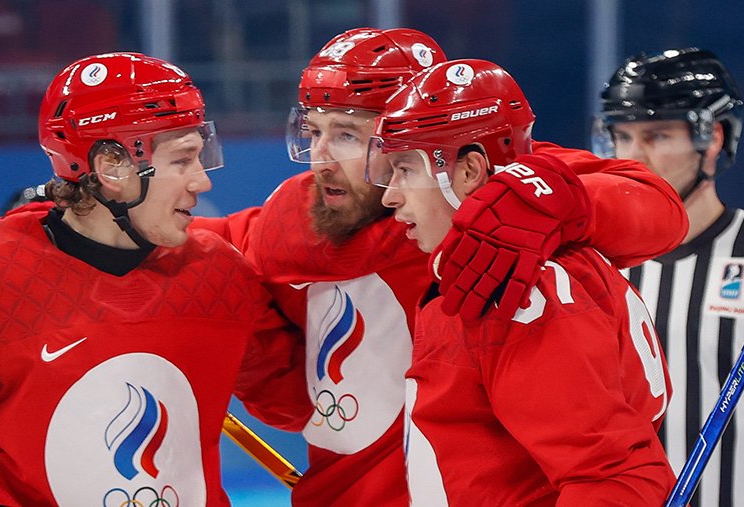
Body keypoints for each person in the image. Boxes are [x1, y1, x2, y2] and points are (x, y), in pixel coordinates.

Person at [194, 28, 688, 505]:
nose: (320, 161)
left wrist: (538, 200)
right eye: (313, 131)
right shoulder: (298, 218)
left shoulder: (498, 194)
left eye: (346, 134)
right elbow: (295, 397)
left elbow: (656, 207)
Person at [0, 52, 307, 506]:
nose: (201, 181)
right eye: (183, 160)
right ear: (111, 166)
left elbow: (296, 403)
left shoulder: (218, 272)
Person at [370, 57, 676, 505]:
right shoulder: (492, 259)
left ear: (470, 172)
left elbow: (610, 479)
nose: (390, 195)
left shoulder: (518, 288)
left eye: (406, 169)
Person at [594, 47, 744, 507]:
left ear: (713, 137)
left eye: (656, 135)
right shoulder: (591, 265)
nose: (632, 157)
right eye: (622, 137)